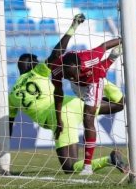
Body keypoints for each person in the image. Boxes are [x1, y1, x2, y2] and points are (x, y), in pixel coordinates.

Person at [6, 13, 128, 175]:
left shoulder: (12, 95)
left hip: (59, 118)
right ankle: (103, 79)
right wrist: (73, 27)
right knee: (118, 105)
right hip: (74, 103)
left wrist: (3, 151)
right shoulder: (37, 72)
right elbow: (57, 54)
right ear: (33, 65)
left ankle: (109, 160)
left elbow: (9, 124)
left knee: (69, 168)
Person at [51, 31, 125, 176]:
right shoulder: (57, 70)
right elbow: (58, 94)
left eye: (74, 73)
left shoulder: (91, 58)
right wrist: (58, 118)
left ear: (80, 67)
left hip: (93, 81)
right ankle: (112, 58)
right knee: (89, 107)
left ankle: (87, 166)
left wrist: (124, 39)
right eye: (69, 75)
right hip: (78, 88)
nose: (73, 76)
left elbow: (104, 45)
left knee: (88, 118)